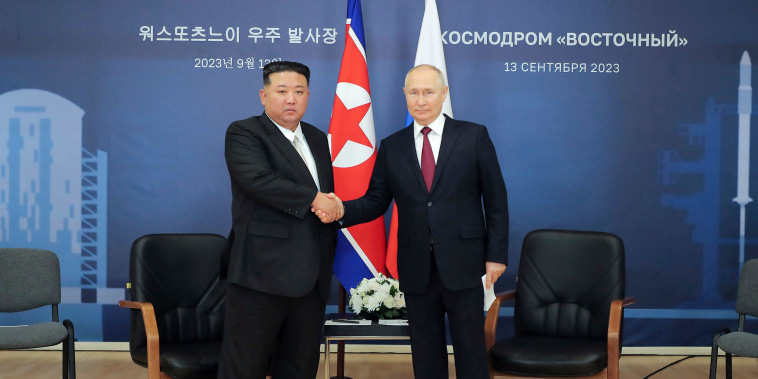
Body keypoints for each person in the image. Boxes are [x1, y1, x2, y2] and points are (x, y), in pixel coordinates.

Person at [317, 64, 508, 379]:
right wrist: (341, 210)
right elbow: (377, 200)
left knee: (470, 350)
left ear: (443, 94)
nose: (421, 100)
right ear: (405, 95)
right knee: (425, 350)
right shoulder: (393, 146)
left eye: (429, 92)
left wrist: (496, 255)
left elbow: (496, 200)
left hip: (464, 261)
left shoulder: (474, 136)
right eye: (414, 92)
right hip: (416, 265)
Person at [218, 61, 343, 379]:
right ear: (263, 95)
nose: (291, 99)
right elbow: (259, 180)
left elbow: (325, 195)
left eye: (299, 92)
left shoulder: (316, 137)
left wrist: (334, 206)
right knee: (245, 368)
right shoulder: (245, 132)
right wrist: (317, 200)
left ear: (308, 96)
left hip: (311, 280)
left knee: (299, 368)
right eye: (282, 91)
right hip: (261, 277)